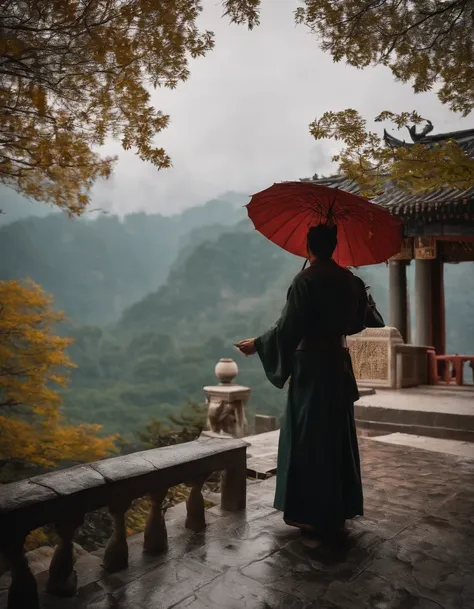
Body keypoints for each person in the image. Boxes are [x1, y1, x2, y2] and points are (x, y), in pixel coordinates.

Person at [236, 224, 384, 544]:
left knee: (308, 436)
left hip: (311, 369)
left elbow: (289, 327)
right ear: (334, 246)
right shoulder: (351, 281)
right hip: (337, 365)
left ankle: (312, 514)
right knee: (335, 436)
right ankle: (337, 510)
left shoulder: (305, 280)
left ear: (308, 246)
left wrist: (258, 344)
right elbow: (361, 323)